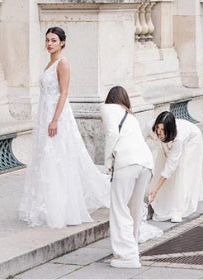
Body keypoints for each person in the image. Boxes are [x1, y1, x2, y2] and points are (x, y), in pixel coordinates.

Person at [17, 27, 109, 228]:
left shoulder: (62, 63)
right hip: (45, 112)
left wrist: (55, 119)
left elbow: (64, 93)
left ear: (62, 43)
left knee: (56, 156)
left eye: (54, 40)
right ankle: (45, 203)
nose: (50, 43)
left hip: (56, 114)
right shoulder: (50, 62)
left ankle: (60, 206)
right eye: (48, 40)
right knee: (46, 156)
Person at [101, 86, 158, 270]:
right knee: (134, 209)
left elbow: (112, 134)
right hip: (146, 163)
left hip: (127, 162)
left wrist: (108, 160)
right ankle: (132, 249)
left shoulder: (108, 108)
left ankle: (127, 256)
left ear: (110, 98)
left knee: (119, 209)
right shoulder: (130, 115)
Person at [146, 110, 203, 223]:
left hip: (192, 140)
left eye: (162, 130)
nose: (158, 132)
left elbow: (171, 165)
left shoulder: (179, 138)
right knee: (161, 162)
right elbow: (140, 139)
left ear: (169, 130)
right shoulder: (150, 127)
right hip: (171, 141)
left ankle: (178, 209)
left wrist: (156, 189)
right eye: (158, 128)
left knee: (181, 169)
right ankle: (164, 200)